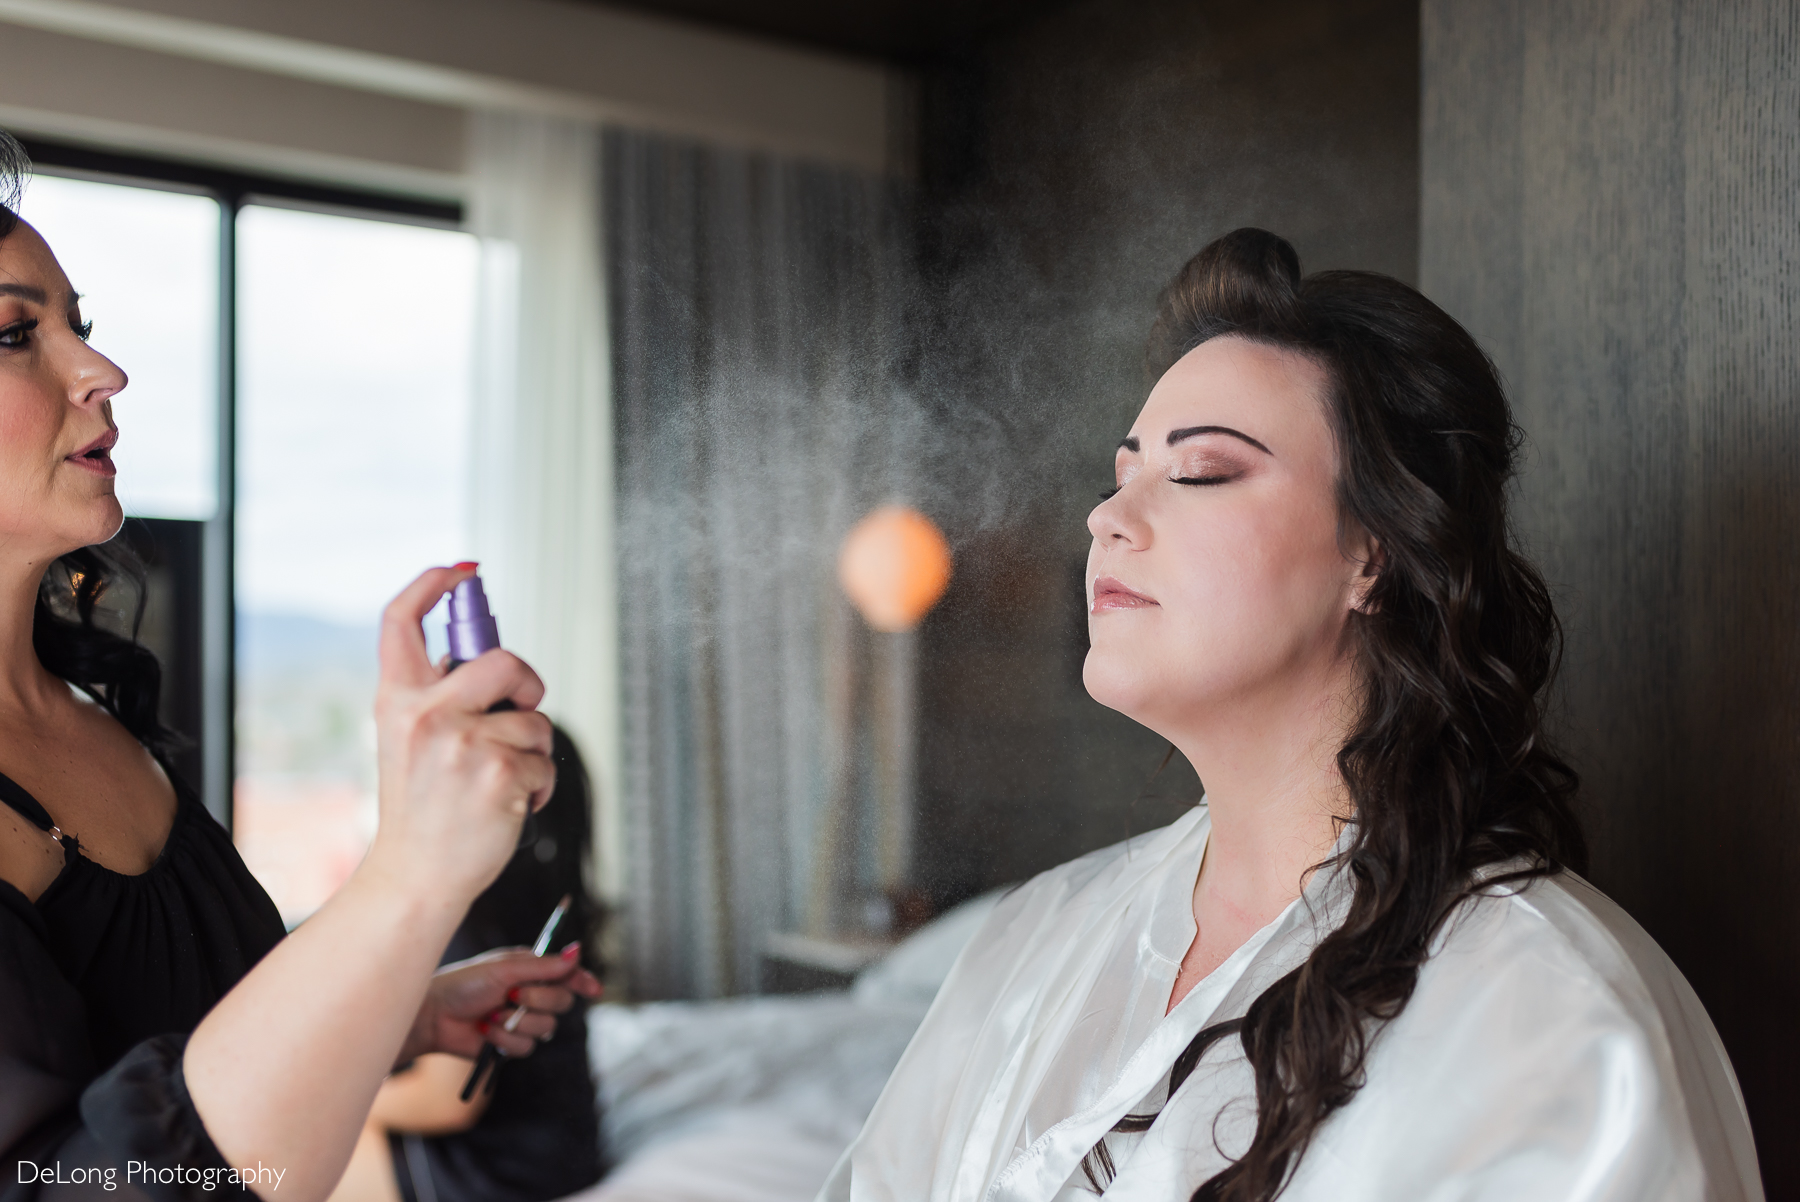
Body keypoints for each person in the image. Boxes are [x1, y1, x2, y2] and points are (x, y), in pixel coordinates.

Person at [823, 229, 1764, 1201]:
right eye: (1123, 471)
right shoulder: (1030, 940)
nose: (1108, 516)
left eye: (1199, 472)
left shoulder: (1551, 1024)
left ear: (1373, 550)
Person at [0, 131, 601, 1202]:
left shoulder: (103, 718)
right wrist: (407, 875)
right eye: (13, 333)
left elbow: (186, 1040)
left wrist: (398, 1007)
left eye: (80, 325)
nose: (105, 369)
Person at [329, 726, 605, 1202]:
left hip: (499, 1170)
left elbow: (446, 1102)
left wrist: (322, 1103)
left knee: (275, 1166)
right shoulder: (544, 903)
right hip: (566, 1153)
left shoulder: (465, 918)